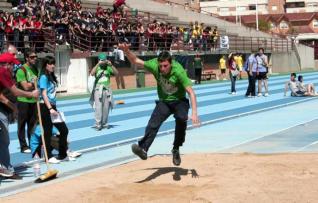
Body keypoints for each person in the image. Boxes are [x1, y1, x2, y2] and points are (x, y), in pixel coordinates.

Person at [118, 43, 200, 166]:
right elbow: (135, 60)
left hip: (179, 101)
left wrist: (194, 113)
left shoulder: (179, 71)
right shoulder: (154, 65)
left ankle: (176, 148)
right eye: (160, 66)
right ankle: (143, 149)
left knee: (182, 119)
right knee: (153, 123)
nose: (162, 69)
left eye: (165, 66)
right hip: (164, 101)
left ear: (171, 63)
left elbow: (191, 93)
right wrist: (126, 51)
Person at [0, 52, 38, 178]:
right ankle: (6, 168)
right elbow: (15, 92)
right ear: (7, 64)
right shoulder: (2, 71)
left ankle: (5, 167)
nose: (14, 68)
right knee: (4, 140)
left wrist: (12, 106)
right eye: (13, 65)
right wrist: (32, 94)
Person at [38, 56, 69, 164]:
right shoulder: (43, 77)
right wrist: (50, 108)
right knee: (47, 132)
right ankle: (48, 156)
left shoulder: (50, 76)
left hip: (52, 106)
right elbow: (44, 94)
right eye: (51, 64)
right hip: (45, 107)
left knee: (64, 130)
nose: (53, 66)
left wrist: (53, 107)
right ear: (46, 65)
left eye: (54, 63)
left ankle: (62, 154)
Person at [15, 51, 38, 153]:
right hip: (23, 100)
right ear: (27, 58)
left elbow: (36, 84)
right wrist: (33, 84)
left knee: (32, 124)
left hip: (33, 100)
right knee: (22, 124)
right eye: (32, 57)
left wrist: (32, 84)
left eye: (35, 57)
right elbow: (25, 87)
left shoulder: (35, 69)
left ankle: (32, 143)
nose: (35, 58)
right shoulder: (21, 70)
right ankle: (23, 146)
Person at [89, 53, 118, 131]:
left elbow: (116, 73)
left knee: (106, 108)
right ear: (99, 60)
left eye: (104, 60)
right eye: (102, 60)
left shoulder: (108, 67)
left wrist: (111, 65)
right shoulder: (97, 67)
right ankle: (98, 124)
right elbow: (91, 73)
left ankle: (104, 123)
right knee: (98, 107)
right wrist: (98, 64)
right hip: (98, 90)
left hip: (107, 89)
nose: (103, 62)